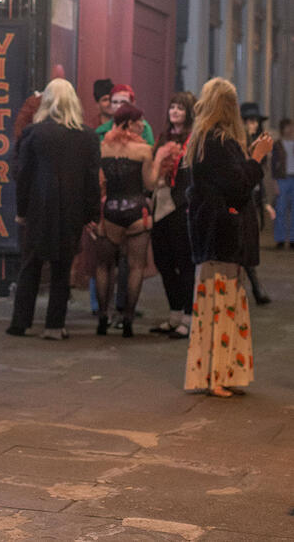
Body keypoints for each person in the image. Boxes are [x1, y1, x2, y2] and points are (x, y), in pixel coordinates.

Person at [183, 78, 273, 398]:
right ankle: (216, 375)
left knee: (216, 304)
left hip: (214, 232)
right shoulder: (219, 140)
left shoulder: (205, 139)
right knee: (222, 306)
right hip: (223, 234)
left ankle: (219, 372)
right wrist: (257, 158)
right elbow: (237, 185)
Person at [6, 78, 101, 340]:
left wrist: (22, 209)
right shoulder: (88, 136)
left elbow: (23, 174)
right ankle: (54, 325)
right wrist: (92, 214)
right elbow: (92, 178)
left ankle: (20, 322)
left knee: (30, 265)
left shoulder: (33, 133)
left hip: (38, 206)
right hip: (72, 209)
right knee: (62, 267)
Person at [95, 103, 171, 337]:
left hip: (110, 212)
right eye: (139, 121)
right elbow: (150, 184)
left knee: (104, 267)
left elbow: (100, 182)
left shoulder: (103, 148)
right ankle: (128, 319)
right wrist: (159, 162)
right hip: (137, 212)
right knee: (136, 266)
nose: (142, 125)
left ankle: (102, 319)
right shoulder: (143, 151)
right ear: (128, 123)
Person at [149, 92, 196, 338]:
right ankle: (174, 314)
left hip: (181, 208)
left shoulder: (194, 140)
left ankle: (188, 318)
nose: (175, 112)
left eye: (180, 108)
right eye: (172, 107)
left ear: (189, 112)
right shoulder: (162, 137)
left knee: (184, 264)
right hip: (160, 206)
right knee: (163, 263)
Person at [239, 102, 274, 303]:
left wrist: (266, 202)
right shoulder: (238, 141)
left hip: (254, 196)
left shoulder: (260, 141)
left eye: (255, 121)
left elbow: (259, 176)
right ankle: (255, 288)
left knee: (248, 244)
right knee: (242, 244)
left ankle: (254, 287)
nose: (253, 124)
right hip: (241, 195)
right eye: (250, 120)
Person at [271, 118, 294, 248]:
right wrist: (274, 182)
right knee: (280, 209)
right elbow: (274, 165)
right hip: (282, 179)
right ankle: (280, 238)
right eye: (287, 127)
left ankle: (292, 238)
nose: (290, 129)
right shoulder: (278, 144)